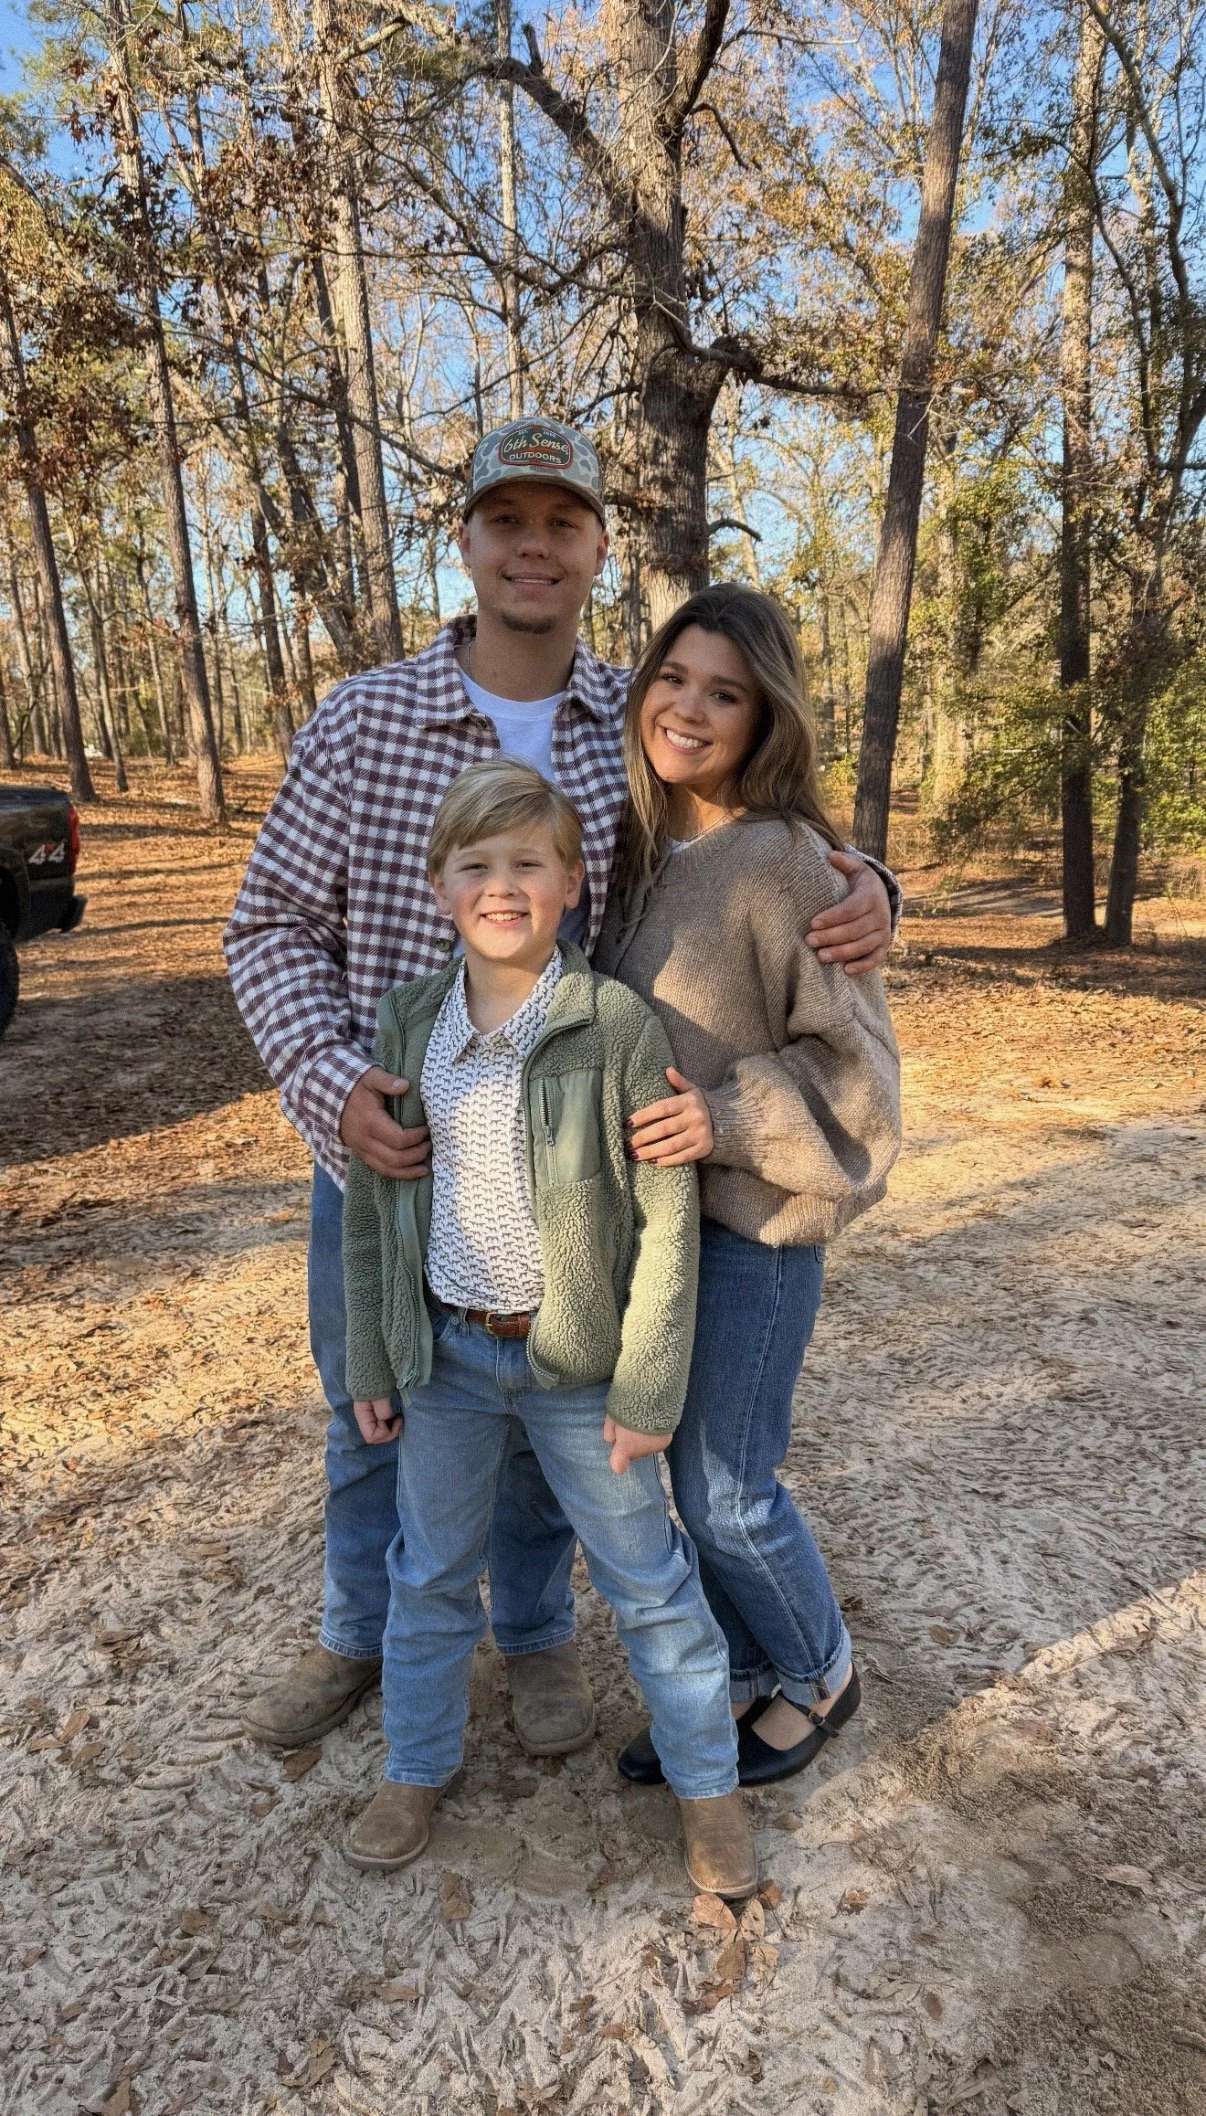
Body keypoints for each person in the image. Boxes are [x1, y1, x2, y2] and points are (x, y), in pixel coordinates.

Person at [224, 415, 898, 1761]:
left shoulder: (625, 736)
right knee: (370, 1407)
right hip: (387, 1154)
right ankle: (356, 1636)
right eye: (506, 522)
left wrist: (875, 884)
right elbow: (268, 926)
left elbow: (751, 843)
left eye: (562, 524)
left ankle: (532, 1642)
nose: (533, 548)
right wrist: (327, 1081)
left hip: (556, 1174)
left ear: (597, 549)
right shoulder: (363, 722)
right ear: (464, 541)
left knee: (545, 1425)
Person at [338, 758, 755, 1898]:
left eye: (528, 862)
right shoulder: (410, 1018)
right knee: (428, 1574)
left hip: (578, 1368)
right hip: (450, 1361)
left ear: (571, 882)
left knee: (648, 1580)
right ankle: (415, 1766)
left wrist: (647, 1386)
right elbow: (378, 1209)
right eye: (476, 864)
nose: (502, 885)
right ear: (438, 887)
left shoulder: (613, 1023)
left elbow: (666, 1222)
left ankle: (709, 1795)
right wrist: (375, 1355)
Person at [593, 584, 901, 1786]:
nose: (690, 706)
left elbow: (862, 1085)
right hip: (653, 1234)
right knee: (673, 1474)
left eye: (725, 690)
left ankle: (820, 1671)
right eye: (674, 677)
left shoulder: (785, 863)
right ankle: (744, 1669)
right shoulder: (632, 845)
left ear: (765, 715)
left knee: (726, 1486)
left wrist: (720, 1116)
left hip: (755, 1235)